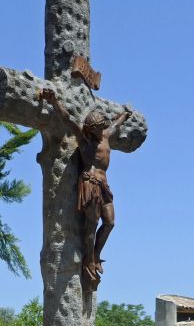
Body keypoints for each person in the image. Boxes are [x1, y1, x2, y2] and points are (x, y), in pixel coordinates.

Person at [39, 88, 132, 286]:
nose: (101, 129)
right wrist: (54, 101)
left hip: (104, 185)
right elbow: (68, 120)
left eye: (102, 127)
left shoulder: (105, 136)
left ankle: (96, 254)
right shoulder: (84, 140)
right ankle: (88, 260)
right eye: (98, 127)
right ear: (91, 128)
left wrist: (125, 114)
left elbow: (116, 124)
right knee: (91, 225)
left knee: (110, 222)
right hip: (89, 183)